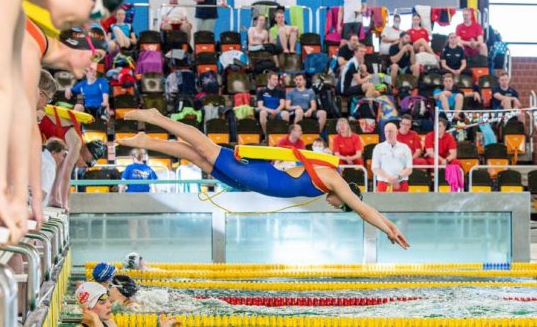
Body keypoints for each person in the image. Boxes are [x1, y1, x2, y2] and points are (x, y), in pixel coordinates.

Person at [0, 0, 125, 245]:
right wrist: (4, 191)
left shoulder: (23, 22)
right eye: (92, 14)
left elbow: (21, 114)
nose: (86, 24)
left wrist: (17, 195)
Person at [117, 108, 409, 249]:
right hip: (255, 174)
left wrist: (389, 226)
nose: (335, 206)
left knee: (195, 156)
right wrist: (389, 228)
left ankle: (146, 140)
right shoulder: (334, 180)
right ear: (347, 196)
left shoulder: (324, 184)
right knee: (204, 147)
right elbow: (363, 209)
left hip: (252, 180)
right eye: (340, 205)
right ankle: (156, 118)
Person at [31, 26, 108, 212]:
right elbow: (65, 175)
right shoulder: (76, 142)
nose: (93, 68)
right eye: (94, 57)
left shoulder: (37, 50)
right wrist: (64, 204)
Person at [372, 123, 412, 192]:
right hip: (383, 184)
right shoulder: (378, 148)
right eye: (386, 131)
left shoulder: (405, 147)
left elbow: (409, 168)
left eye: (390, 131)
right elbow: (375, 168)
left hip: (401, 184)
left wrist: (397, 178)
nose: (388, 134)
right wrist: (389, 178)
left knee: (402, 203)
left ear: (396, 132)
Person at [41, 138, 67, 207]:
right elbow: (41, 194)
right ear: (53, 153)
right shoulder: (49, 166)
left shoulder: (40, 156)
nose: (62, 159)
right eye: (62, 155)